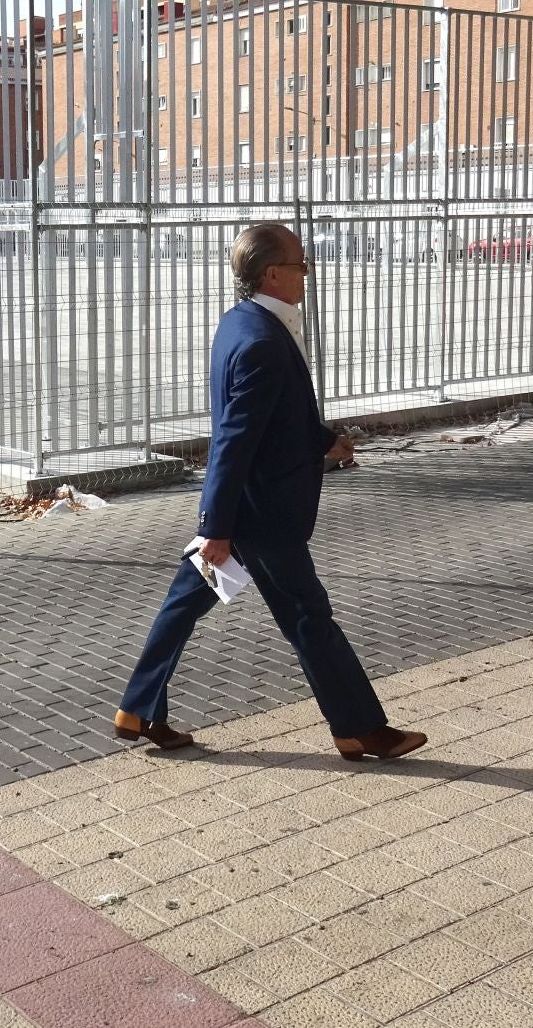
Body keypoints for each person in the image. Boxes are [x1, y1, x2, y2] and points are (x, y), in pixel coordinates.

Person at [112, 223, 428, 762]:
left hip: (248, 509)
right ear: (273, 273)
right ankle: (360, 729)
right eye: (301, 264)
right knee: (310, 618)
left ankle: (139, 709)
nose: (307, 273)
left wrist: (325, 441)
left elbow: (274, 418)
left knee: (185, 603)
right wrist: (217, 527)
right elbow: (233, 439)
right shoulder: (261, 340)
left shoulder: (242, 323)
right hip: (262, 516)